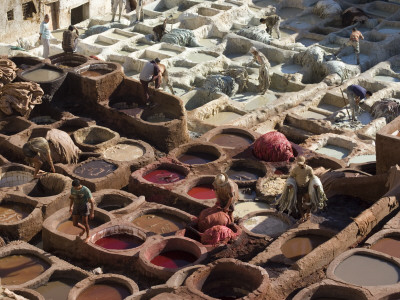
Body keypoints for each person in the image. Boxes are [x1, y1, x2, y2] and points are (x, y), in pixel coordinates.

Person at [276, 156, 327, 221]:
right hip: (299, 188)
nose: (300, 165)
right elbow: (291, 176)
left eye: (301, 164)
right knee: (299, 202)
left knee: (308, 201)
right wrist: (290, 184)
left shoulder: (309, 169)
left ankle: (308, 213)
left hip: (306, 187)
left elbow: (312, 176)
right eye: (299, 164)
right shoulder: (295, 169)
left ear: (304, 162)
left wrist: (315, 184)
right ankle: (302, 215)